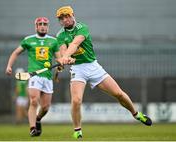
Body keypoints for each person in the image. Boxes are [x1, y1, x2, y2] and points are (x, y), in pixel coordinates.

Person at [55, 6, 152, 139]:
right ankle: (77, 130)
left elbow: (75, 44)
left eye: (67, 16)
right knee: (76, 100)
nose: (65, 20)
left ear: (73, 15)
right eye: (62, 18)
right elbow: (62, 49)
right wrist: (66, 59)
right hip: (78, 69)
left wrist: (66, 55)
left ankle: (136, 114)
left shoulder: (82, 27)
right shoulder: (60, 35)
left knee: (118, 94)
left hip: (93, 66)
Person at [5, 17, 68, 137]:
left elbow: (59, 58)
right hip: (34, 76)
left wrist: (61, 64)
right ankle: (32, 128)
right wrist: (9, 66)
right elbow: (15, 52)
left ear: (48, 27)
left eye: (45, 24)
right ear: (36, 26)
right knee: (34, 101)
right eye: (40, 24)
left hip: (47, 77)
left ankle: (38, 119)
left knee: (45, 107)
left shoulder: (53, 41)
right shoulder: (28, 40)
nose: (43, 26)